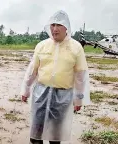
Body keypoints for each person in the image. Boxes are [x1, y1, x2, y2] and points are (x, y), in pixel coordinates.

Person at [20, 10, 90, 144]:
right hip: (40, 95)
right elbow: (32, 70)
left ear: (66, 28)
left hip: (62, 98)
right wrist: (26, 89)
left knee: (55, 136)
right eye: (52, 25)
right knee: (36, 135)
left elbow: (80, 76)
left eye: (59, 25)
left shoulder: (76, 48)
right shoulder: (42, 45)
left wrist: (79, 99)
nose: (55, 29)